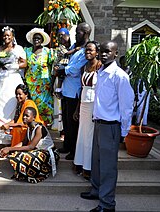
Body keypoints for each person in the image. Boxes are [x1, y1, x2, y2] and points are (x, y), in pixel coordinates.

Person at [80, 41, 134, 212]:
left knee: (108, 167)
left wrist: (124, 131)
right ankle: (96, 191)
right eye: (101, 52)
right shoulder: (101, 72)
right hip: (98, 123)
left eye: (108, 52)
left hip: (111, 126)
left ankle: (107, 204)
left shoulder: (119, 76)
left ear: (116, 54)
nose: (103, 55)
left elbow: (127, 106)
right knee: (96, 162)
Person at [56, 22, 91, 160]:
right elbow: (66, 58)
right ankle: (67, 145)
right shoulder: (74, 47)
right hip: (66, 89)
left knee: (73, 123)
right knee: (65, 120)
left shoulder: (86, 50)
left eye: (78, 32)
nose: (76, 35)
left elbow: (76, 69)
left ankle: (74, 150)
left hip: (75, 92)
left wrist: (63, 70)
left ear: (86, 33)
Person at [0, 107, 59, 183]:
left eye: (27, 116)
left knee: (24, 156)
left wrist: (9, 149)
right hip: (39, 152)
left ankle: (35, 174)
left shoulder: (39, 128)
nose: (24, 117)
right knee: (16, 154)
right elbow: (23, 143)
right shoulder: (29, 128)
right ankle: (25, 173)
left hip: (48, 154)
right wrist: (9, 149)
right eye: (24, 115)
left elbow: (30, 147)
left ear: (33, 118)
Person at [0, 26, 27, 143]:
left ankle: (11, 132)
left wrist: (14, 66)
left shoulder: (18, 48)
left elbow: (24, 63)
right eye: (4, 35)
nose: (6, 37)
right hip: (2, 78)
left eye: (8, 35)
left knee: (12, 102)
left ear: (12, 37)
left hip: (13, 78)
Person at [73, 41, 101, 180]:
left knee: (89, 136)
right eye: (86, 50)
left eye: (91, 50)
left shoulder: (100, 66)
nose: (88, 52)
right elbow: (81, 89)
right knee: (82, 134)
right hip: (84, 103)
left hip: (94, 105)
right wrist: (77, 108)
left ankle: (88, 168)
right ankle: (79, 162)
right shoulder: (84, 67)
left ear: (97, 52)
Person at [24, 28, 54, 126]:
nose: (36, 40)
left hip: (44, 86)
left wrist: (53, 84)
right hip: (31, 85)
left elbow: (53, 67)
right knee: (33, 105)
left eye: (39, 38)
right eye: (35, 38)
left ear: (42, 40)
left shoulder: (48, 52)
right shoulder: (27, 51)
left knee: (44, 106)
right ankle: (33, 124)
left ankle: (45, 126)